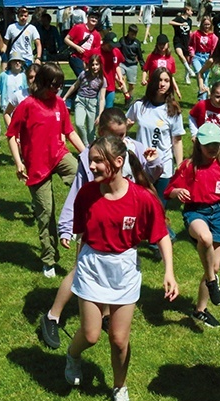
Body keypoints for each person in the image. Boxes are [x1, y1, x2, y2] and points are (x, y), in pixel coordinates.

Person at [64, 136, 178, 401]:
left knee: (118, 339)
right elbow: (82, 234)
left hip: (124, 270)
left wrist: (169, 272)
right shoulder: (87, 194)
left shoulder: (141, 198)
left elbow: (161, 234)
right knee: (91, 335)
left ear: (118, 162)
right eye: (91, 160)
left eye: (97, 160)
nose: (91, 166)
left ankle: (119, 387)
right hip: (92, 268)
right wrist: (79, 263)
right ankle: (72, 355)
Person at [40, 107, 163, 350]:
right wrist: (66, 227)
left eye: (124, 134)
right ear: (101, 132)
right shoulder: (91, 156)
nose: (121, 140)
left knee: (110, 275)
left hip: (120, 226)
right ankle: (52, 315)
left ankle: (105, 316)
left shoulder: (134, 148)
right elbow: (77, 191)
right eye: (115, 135)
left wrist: (154, 162)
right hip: (92, 224)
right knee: (79, 271)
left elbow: (147, 181)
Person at [6, 63, 86, 278]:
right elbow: (11, 135)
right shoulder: (27, 105)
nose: (58, 89)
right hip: (37, 166)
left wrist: (86, 154)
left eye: (60, 85)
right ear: (41, 82)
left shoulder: (59, 103)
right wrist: (18, 163)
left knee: (84, 177)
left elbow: (69, 132)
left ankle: (80, 223)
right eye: (54, 85)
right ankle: (49, 259)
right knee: (46, 213)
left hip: (59, 155)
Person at [165, 122, 220, 327]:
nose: (212, 149)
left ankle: (200, 310)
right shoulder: (188, 166)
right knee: (205, 238)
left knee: (214, 266)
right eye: (208, 145)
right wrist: (176, 192)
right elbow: (169, 191)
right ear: (198, 144)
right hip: (195, 212)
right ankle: (212, 281)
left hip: (216, 214)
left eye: (216, 145)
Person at [126, 68, 185, 217]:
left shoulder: (172, 110)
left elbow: (177, 141)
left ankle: (159, 238)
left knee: (158, 208)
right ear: (152, 82)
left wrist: (180, 165)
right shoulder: (140, 106)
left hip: (164, 165)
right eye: (159, 80)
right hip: (141, 164)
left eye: (166, 80)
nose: (162, 84)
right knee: (139, 205)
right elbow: (124, 126)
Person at [62, 54, 107, 144]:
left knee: (91, 130)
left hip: (92, 104)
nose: (94, 67)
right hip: (80, 101)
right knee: (79, 124)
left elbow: (102, 98)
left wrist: (100, 114)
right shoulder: (83, 74)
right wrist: (65, 97)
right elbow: (75, 86)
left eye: (97, 64)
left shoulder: (102, 80)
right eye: (93, 64)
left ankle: (92, 147)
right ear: (89, 65)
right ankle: (85, 146)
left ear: (100, 65)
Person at [142, 34, 182, 100]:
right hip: (153, 85)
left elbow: (171, 76)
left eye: (164, 44)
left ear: (167, 44)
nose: (162, 46)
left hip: (165, 87)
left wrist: (176, 89)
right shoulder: (152, 57)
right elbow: (145, 69)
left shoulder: (170, 59)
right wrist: (143, 79)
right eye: (160, 44)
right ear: (157, 45)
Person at [64, 10, 101, 77]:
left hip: (89, 61)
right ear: (87, 18)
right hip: (75, 56)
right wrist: (76, 47)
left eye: (96, 18)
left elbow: (97, 51)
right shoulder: (78, 27)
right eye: (92, 17)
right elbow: (66, 39)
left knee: (88, 79)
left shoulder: (97, 35)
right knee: (83, 77)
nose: (94, 19)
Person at [188, 16, 218, 95]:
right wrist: (192, 52)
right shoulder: (196, 34)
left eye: (208, 24)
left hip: (207, 57)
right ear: (202, 25)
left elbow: (214, 48)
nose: (207, 26)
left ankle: (202, 96)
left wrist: (212, 58)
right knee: (199, 72)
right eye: (205, 24)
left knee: (205, 77)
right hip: (197, 56)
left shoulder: (213, 36)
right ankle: (204, 91)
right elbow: (190, 44)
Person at [169, 6, 196, 85]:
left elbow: (189, 31)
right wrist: (181, 24)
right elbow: (170, 22)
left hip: (187, 41)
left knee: (188, 60)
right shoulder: (179, 18)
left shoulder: (190, 21)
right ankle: (190, 70)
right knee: (180, 54)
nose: (192, 12)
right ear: (187, 11)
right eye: (191, 11)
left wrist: (193, 37)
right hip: (178, 40)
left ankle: (187, 76)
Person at [119, 24, 144, 104]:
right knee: (121, 79)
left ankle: (128, 99)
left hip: (132, 64)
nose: (133, 36)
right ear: (128, 32)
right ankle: (126, 95)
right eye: (132, 34)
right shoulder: (122, 40)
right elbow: (117, 51)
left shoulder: (137, 43)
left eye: (135, 34)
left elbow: (140, 55)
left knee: (131, 85)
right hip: (122, 63)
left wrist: (142, 64)